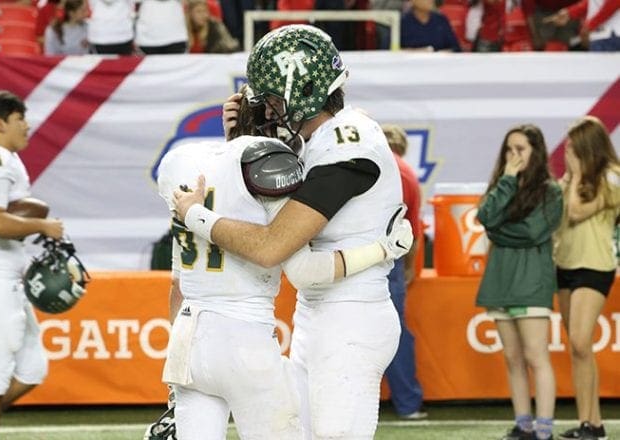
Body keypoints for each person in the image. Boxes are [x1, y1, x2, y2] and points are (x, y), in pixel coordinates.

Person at [173, 24, 404, 440]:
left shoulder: (348, 143)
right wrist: (242, 145)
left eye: (272, 99)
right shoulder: (315, 140)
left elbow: (270, 247)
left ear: (299, 91)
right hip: (317, 311)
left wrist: (196, 217)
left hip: (353, 314)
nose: (267, 109)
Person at [156, 133, 412, 439]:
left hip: (188, 343)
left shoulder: (183, 162)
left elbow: (177, 283)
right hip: (244, 337)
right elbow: (304, 270)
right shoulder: (266, 161)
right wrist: (382, 250)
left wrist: (177, 364)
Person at [0, 90, 64, 440]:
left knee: (32, 369)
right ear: (0, 122)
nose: (27, 126)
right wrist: (42, 225)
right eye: (20, 119)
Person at [475, 124, 563, 440]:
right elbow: (485, 217)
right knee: (512, 358)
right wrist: (508, 180)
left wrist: (498, 231)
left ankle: (544, 429)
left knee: (536, 357)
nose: (513, 156)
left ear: (536, 152)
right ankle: (523, 423)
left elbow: (531, 232)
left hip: (531, 283)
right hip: (500, 281)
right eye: (509, 150)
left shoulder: (551, 191)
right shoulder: (503, 184)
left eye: (521, 149)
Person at [554, 116, 620, 440]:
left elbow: (579, 212)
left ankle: (590, 423)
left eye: (571, 147)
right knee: (578, 348)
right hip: (563, 264)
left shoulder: (612, 177)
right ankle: (591, 422)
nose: (567, 152)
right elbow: (560, 217)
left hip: (594, 266)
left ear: (587, 147)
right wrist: (570, 179)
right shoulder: (569, 180)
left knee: (580, 341)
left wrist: (576, 175)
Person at [381, 124, 427, 420]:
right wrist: (409, 267)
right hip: (392, 257)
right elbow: (412, 230)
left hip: (357, 253)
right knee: (393, 331)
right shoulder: (407, 173)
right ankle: (408, 403)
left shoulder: (374, 164)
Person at [544, 0, 620, 51]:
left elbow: (614, 2)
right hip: (603, 35)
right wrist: (569, 12)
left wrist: (589, 26)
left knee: (603, 72)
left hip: (610, 35)